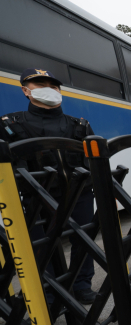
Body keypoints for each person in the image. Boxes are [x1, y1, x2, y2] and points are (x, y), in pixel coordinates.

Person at [0, 68, 96, 304]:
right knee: (42, 245)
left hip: (78, 193)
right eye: (40, 85)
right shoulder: (11, 124)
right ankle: (49, 290)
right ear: (25, 91)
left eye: (53, 86)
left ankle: (81, 285)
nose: (50, 91)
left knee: (84, 239)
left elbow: (92, 161)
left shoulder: (79, 125)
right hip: (36, 195)